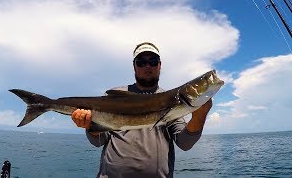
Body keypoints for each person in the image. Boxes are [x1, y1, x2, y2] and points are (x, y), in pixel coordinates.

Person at [71, 42, 212, 178]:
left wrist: (200, 115)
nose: (147, 66)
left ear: (160, 65)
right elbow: (99, 141)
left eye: (153, 61)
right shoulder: (115, 95)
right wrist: (90, 126)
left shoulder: (171, 101)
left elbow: (185, 143)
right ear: (134, 66)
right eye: (141, 62)